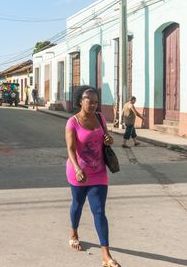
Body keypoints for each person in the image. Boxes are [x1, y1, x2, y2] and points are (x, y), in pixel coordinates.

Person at [65, 86, 121, 267]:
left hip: (98, 172)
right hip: (79, 172)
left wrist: (109, 140)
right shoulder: (72, 122)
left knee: (99, 211)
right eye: (90, 101)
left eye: (96, 102)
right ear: (80, 101)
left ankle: (106, 255)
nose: (93, 105)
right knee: (78, 205)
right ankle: (73, 232)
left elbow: (107, 139)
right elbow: (71, 149)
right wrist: (77, 169)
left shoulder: (100, 118)